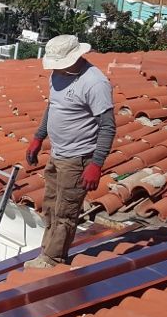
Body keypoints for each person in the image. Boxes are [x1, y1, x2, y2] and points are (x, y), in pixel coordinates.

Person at [24, 35, 115, 269]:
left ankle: (54, 259)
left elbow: (107, 125)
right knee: (51, 207)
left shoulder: (94, 82)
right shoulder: (58, 74)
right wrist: (38, 137)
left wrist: (96, 164)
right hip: (57, 154)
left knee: (66, 212)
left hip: (78, 158)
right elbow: (53, 106)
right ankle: (46, 252)